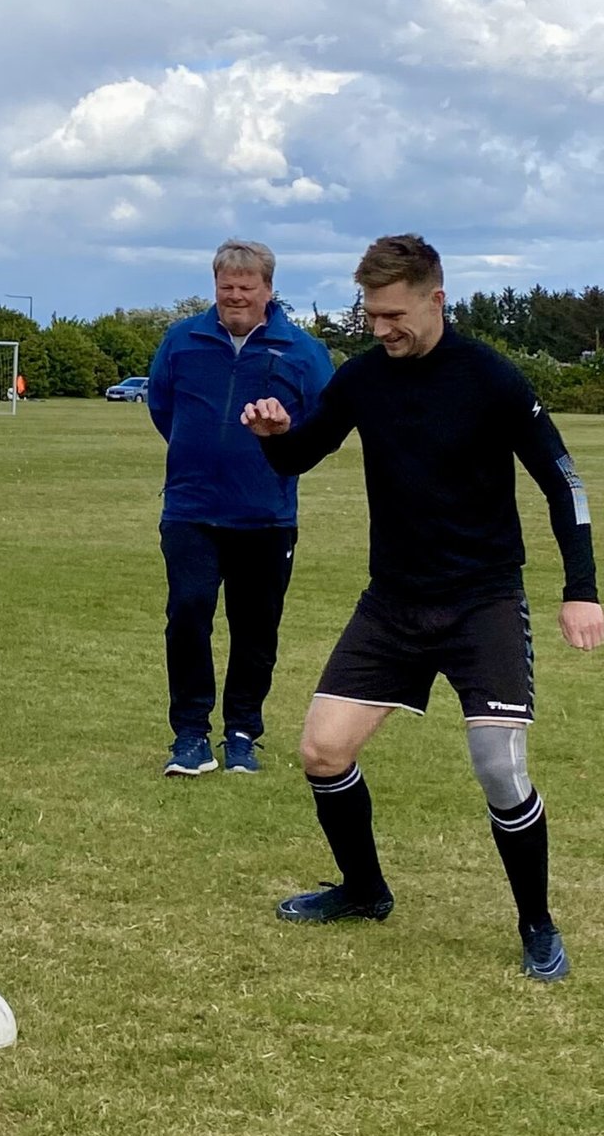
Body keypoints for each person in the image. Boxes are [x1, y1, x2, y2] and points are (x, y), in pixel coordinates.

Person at [243, 233, 600, 980]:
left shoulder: (490, 377)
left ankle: (537, 924)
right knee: (322, 751)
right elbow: (301, 453)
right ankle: (364, 891)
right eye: (371, 315)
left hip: (482, 602)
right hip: (393, 604)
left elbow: (562, 481)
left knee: (499, 767)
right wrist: (276, 436)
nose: (381, 328)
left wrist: (581, 590)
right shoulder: (364, 379)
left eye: (394, 315)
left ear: (437, 299)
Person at [146, 241, 333, 776]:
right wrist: (200, 452)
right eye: (225, 286)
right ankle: (189, 735)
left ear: (268, 289)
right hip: (191, 508)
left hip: (266, 515)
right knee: (188, 613)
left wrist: (284, 436)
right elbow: (163, 407)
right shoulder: (182, 340)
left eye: (246, 287)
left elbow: (325, 426)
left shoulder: (302, 351)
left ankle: (243, 733)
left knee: (255, 628)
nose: (234, 296)